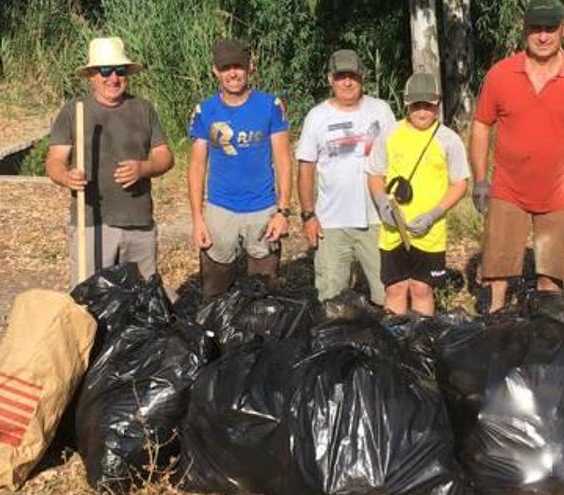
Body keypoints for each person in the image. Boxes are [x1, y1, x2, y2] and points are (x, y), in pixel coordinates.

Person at [470, 0, 564, 313]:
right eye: (536, 29)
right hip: (507, 190)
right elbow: (482, 125)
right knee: (497, 272)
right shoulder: (501, 74)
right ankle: (495, 327)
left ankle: (547, 334)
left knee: (550, 278)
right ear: (524, 29)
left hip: (559, 192)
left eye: (550, 29)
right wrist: (481, 180)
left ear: (563, 29)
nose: (543, 36)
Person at [46, 37, 174, 287]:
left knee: (142, 301)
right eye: (105, 70)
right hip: (92, 223)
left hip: (138, 222)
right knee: (92, 299)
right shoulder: (75, 111)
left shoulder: (143, 108)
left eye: (120, 70)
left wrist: (144, 167)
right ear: (92, 75)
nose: (113, 78)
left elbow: (165, 157)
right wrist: (66, 176)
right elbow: (54, 161)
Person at [188, 38, 293, 297]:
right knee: (215, 290)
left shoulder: (270, 106)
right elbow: (197, 167)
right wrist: (198, 219)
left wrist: (283, 211)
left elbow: (283, 161)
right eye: (226, 68)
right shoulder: (205, 111)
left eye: (239, 66)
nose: (233, 73)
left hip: (263, 208)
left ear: (251, 67)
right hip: (220, 209)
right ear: (215, 70)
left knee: (264, 290)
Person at [296, 49, 396, 305]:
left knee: (388, 293)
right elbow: (306, 168)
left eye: (352, 75)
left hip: (377, 220)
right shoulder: (317, 117)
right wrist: (308, 215)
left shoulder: (381, 110)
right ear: (330, 79)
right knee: (330, 296)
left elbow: (398, 157)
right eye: (341, 76)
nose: (347, 82)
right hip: (331, 222)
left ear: (362, 77)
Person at [366, 72, 470, 316]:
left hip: (429, 232)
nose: (422, 113)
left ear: (437, 106)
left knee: (422, 288)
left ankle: (421, 342)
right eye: (416, 106)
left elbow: (460, 184)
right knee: (395, 288)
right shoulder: (390, 134)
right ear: (406, 105)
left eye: (428, 106)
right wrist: (382, 204)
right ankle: (397, 340)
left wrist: (433, 215)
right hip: (393, 230)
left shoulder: (449, 140)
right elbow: (374, 174)